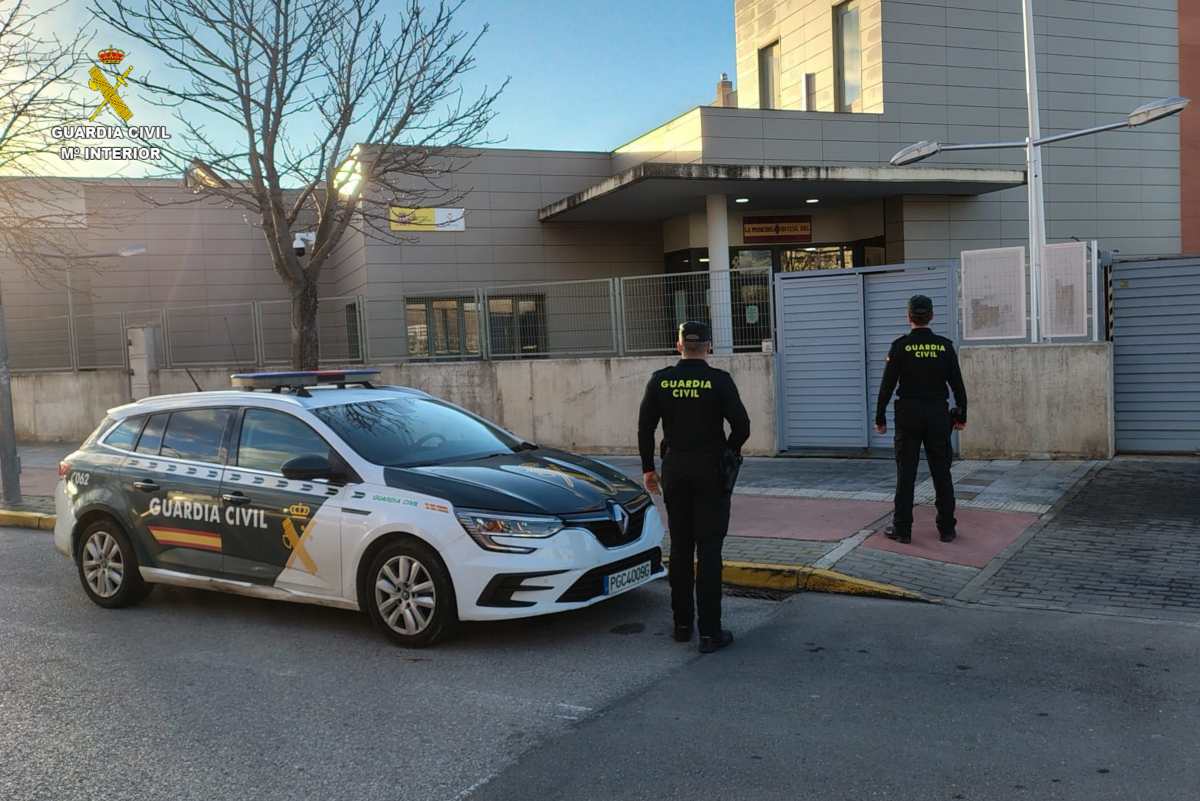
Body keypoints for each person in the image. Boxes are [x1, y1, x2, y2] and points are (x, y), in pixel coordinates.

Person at [638, 321, 750, 654]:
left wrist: (648, 469)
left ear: (679, 345)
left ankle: (682, 626)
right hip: (710, 470)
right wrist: (727, 451)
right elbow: (742, 426)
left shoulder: (661, 380)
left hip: (675, 470)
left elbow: (645, 428)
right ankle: (710, 632)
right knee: (710, 549)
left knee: (682, 549)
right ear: (709, 347)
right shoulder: (719, 381)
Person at [874, 295, 968, 545]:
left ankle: (903, 529)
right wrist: (961, 415)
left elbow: (887, 386)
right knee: (942, 473)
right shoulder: (945, 346)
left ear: (909, 317)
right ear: (932, 316)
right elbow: (957, 385)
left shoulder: (900, 346)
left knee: (906, 474)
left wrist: (880, 417)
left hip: (908, 415)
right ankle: (947, 529)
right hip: (938, 414)